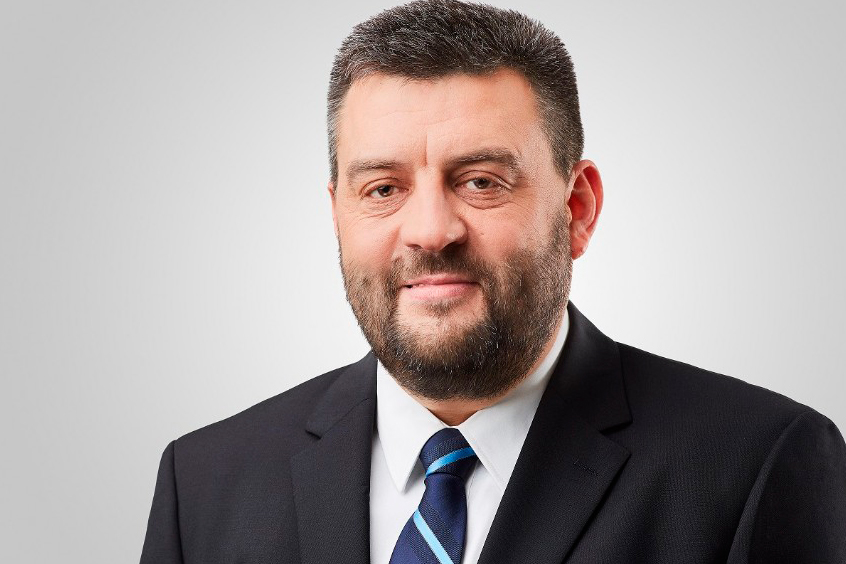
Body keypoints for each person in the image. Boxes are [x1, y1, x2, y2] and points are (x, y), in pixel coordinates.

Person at [140, 1, 846, 562]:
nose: (429, 231)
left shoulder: (759, 465)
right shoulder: (201, 484)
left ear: (577, 209)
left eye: (480, 181)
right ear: (337, 215)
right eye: (382, 188)